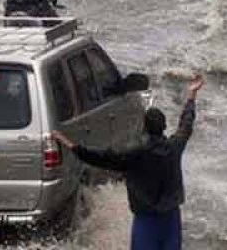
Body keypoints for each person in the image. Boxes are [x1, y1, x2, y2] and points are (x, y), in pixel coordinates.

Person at [52, 74, 205, 250]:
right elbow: (186, 125)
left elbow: (100, 158)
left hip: (145, 222)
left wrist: (68, 143)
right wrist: (192, 95)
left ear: (145, 128)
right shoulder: (174, 147)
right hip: (171, 219)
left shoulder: (134, 155)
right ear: (163, 127)